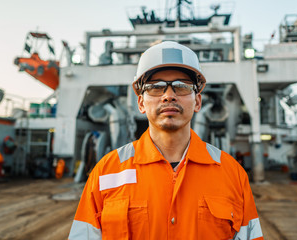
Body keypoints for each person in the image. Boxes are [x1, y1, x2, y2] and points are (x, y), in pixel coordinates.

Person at [69, 41, 263, 240]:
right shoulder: (106, 172)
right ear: (141, 103)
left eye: (181, 86)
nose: (169, 96)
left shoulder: (232, 174)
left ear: (197, 102)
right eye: (155, 87)